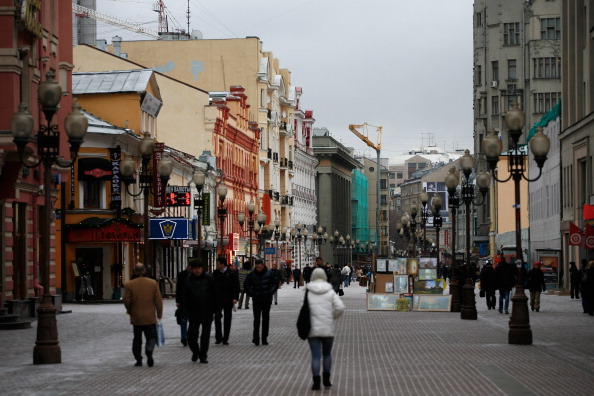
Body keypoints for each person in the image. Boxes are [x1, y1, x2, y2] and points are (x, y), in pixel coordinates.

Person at [304, 268, 345, 390]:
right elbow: (340, 307)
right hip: (327, 328)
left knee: (315, 356)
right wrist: (332, 317)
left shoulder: (308, 291)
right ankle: (326, 380)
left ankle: (316, 382)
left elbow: (303, 309)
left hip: (312, 328)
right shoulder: (330, 291)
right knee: (327, 354)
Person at [123, 263, 163, 367]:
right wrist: (159, 314)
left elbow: (126, 300)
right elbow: (158, 301)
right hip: (149, 317)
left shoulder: (129, 284)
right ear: (145, 271)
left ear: (135, 271)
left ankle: (138, 359)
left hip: (136, 317)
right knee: (151, 336)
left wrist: (130, 310)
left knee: (137, 338)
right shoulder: (153, 283)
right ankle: (149, 350)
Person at [183, 258, 215, 363]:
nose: (197, 270)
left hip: (207, 311)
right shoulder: (188, 280)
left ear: (202, 269)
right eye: (195, 268)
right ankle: (195, 351)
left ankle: (203, 355)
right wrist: (184, 309)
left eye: (199, 268)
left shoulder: (209, 278)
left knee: (205, 336)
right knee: (191, 336)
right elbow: (185, 296)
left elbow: (216, 294)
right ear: (191, 269)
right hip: (193, 312)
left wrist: (216, 309)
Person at [244, 259, 278, 346]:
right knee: (256, 319)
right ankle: (256, 338)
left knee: (265, 319)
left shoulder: (270, 273)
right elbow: (246, 285)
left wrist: (270, 292)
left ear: (263, 265)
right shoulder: (252, 274)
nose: (258, 269)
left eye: (259, 267)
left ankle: (264, 338)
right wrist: (252, 293)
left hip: (266, 299)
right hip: (256, 299)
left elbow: (275, 283)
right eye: (257, 267)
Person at [212, 256, 239, 345]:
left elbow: (236, 286)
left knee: (227, 319)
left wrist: (235, 298)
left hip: (228, 299)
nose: (217, 265)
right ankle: (218, 337)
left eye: (218, 264)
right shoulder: (215, 273)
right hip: (217, 299)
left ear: (223, 264)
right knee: (217, 318)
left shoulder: (231, 273)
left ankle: (225, 338)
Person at [175, 265, 190, 346]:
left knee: (192, 320)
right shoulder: (181, 275)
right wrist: (177, 300)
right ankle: (184, 337)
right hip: (183, 301)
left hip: (193, 301)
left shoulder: (197, 275)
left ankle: (189, 336)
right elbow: (178, 288)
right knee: (183, 319)